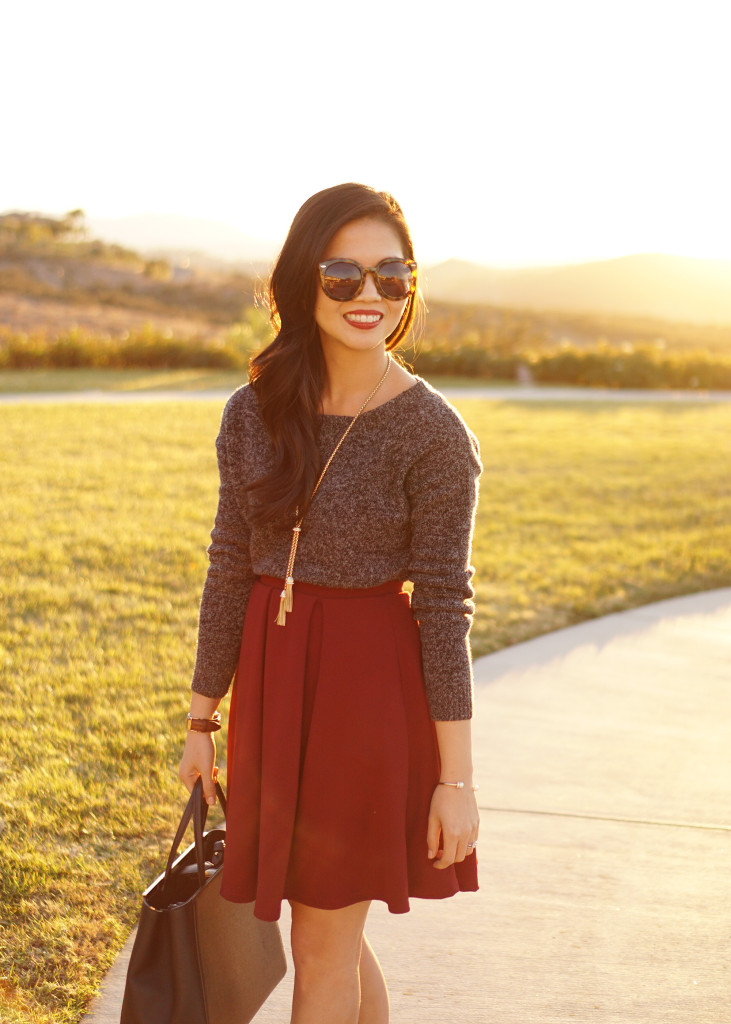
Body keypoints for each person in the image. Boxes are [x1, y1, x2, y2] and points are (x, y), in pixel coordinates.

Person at [178, 182, 482, 1024]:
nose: (371, 297)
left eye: (393, 276)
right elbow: (227, 569)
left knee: (321, 949)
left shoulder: (434, 436)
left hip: (367, 702)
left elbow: (445, 609)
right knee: (332, 934)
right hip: (275, 693)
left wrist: (455, 780)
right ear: (300, 281)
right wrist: (202, 722)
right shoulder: (254, 414)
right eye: (344, 276)